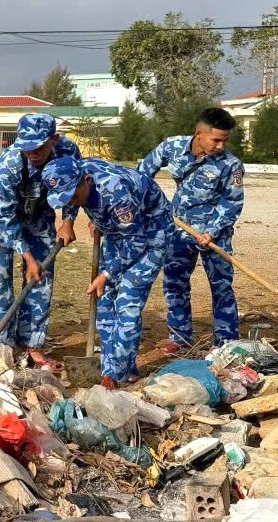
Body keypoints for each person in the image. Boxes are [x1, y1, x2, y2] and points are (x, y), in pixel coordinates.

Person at [42, 156, 171, 389]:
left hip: (150, 234)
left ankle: (117, 376)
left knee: (126, 303)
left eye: (74, 195)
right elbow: (71, 199)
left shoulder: (116, 195)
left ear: (87, 181)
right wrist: (94, 218)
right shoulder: (76, 172)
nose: (71, 200)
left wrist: (107, 273)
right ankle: (114, 368)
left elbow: (136, 241)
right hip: (118, 232)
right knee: (104, 300)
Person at [139, 108, 245, 355]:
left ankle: (226, 342)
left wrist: (212, 230)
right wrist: (148, 204)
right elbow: (143, 173)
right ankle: (179, 336)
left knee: (221, 286)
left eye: (224, 140)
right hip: (178, 227)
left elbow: (232, 202)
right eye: (216, 139)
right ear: (199, 134)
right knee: (175, 283)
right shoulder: (172, 147)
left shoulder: (231, 165)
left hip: (214, 233)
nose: (220, 146)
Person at [0, 114, 80, 371]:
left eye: (38, 147)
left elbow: (73, 188)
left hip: (39, 214)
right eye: (27, 147)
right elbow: (4, 215)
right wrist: (27, 257)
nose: (32, 153)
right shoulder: (10, 163)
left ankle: (33, 344)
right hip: (1, 217)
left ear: (54, 140)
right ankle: (5, 346)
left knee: (41, 277)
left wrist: (68, 221)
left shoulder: (68, 151)